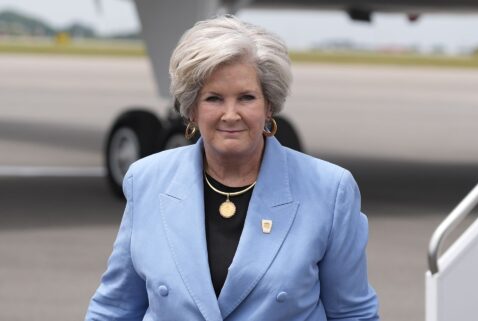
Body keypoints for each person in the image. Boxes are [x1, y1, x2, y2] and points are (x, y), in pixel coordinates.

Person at [85, 15, 379, 321]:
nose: (230, 114)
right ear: (191, 109)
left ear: (269, 106)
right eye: (213, 98)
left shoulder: (331, 190)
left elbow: (353, 314)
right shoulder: (146, 179)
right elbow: (114, 309)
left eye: (246, 98)